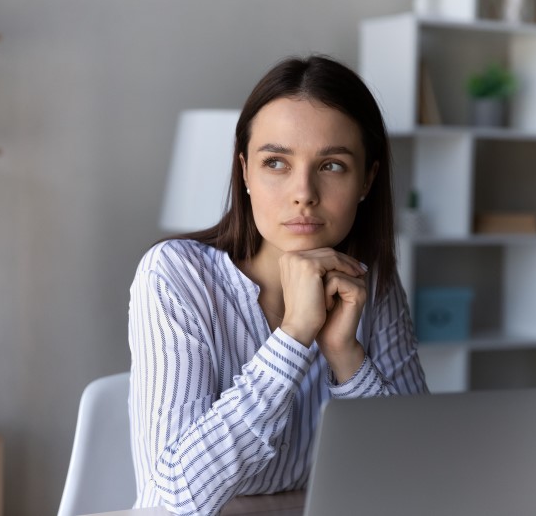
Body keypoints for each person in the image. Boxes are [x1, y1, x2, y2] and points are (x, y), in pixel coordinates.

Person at [128, 55, 428, 515]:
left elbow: (418, 480)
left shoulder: (372, 283)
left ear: (368, 178)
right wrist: (293, 337)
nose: (303, 192)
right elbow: (172, 501)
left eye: (331, 166)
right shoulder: (175, 276)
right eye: (276, 162)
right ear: (245, 171)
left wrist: (347, 356)